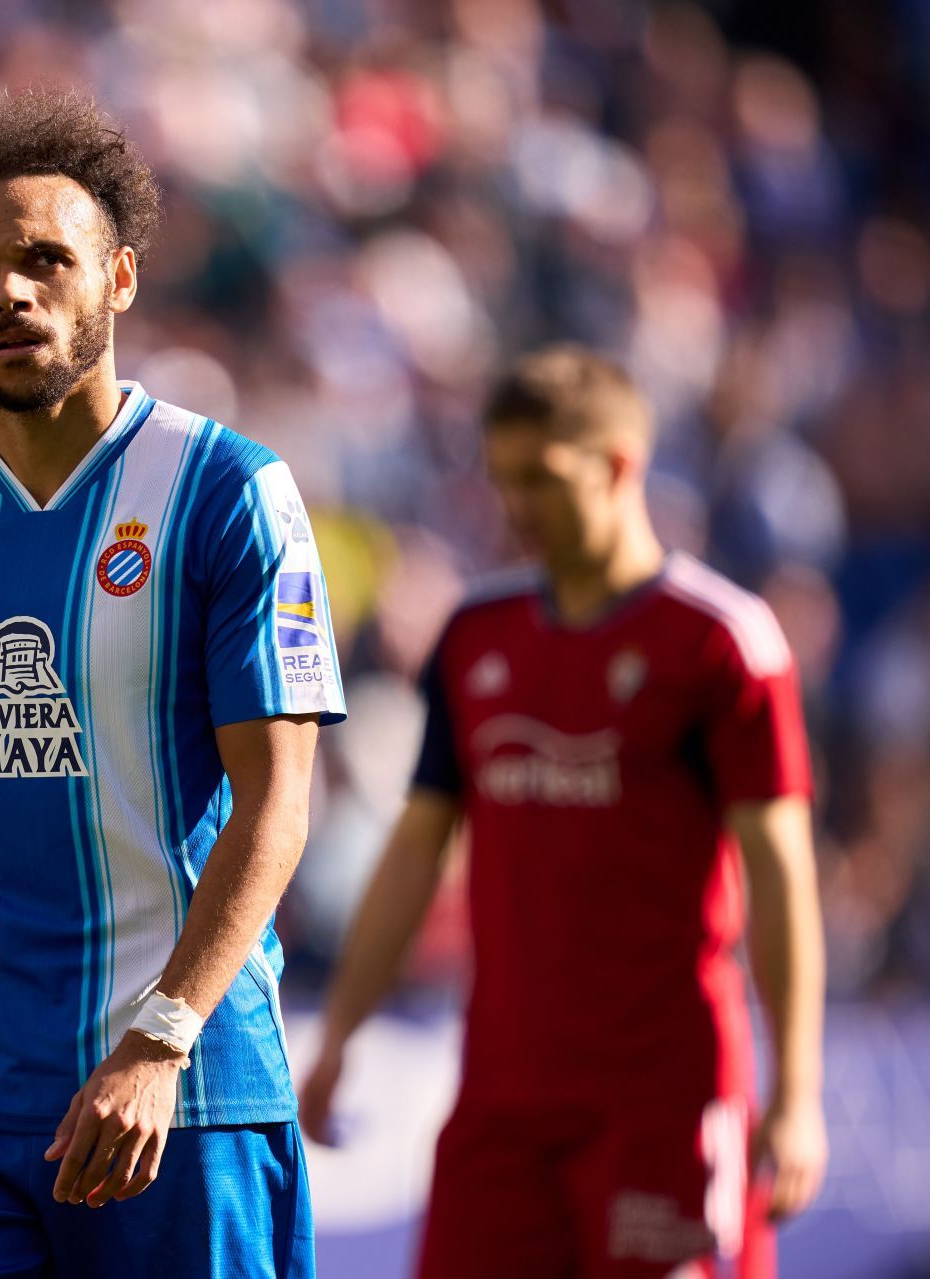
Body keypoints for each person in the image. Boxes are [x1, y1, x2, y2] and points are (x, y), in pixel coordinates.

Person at [0, 91, 345, 1279]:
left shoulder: (226, 490)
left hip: (184, 1097)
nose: (7, 292)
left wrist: (160, 1041)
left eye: (44, 260)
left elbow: (278, 802)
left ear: (117, 278)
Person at [297, 347, 827, 1278]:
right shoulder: (476, 636)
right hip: (502, 1094)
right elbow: (416, 851)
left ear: (621, 464)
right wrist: (341, 1032)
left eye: (542, 479)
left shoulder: (720, 642)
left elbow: (781, 875)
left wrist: (797, 1090)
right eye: (504, 480)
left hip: (664, 1092)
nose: (518, 508)